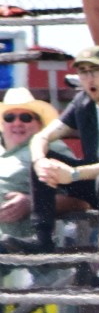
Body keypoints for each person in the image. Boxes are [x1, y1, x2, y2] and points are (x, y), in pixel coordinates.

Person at [22, 46, 99, 253]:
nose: (89, 78)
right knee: (44, 161)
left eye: (95, 70)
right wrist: (40, 161)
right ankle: (42, 239)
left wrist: (75, 174)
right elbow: (41, 137)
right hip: (92, 180)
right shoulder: (82, 102)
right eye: (83, 72)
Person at [0, 89, 67, 250]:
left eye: (25, 117)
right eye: (9, 117)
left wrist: (31, 202)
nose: (17, 123)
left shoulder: (50, 149)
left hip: (19, 248)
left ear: (39, 124)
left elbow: (81, 200)